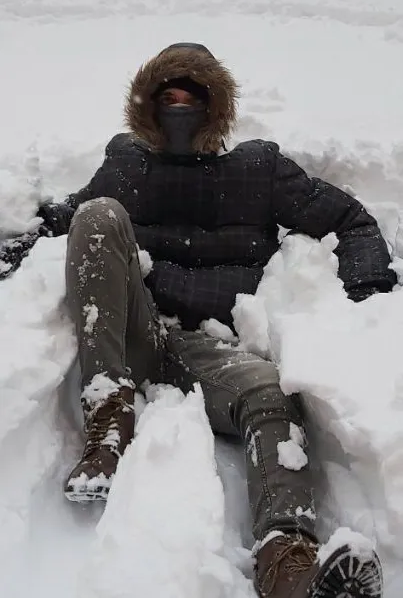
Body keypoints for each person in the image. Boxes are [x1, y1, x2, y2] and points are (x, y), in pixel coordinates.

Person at [16, 44, 397, 597]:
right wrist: (14, 244)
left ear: (215, 106)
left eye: (190, 98)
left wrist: (366, 291)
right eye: (165, 97)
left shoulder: (259, 170)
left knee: (270, 395)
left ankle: (287, 561)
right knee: (98, 215)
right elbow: (67, 220)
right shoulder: (126, 165)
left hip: (214, 350)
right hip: (138, 333)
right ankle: (108, 411)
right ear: (146, 106)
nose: (177, 108)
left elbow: (350, 219)